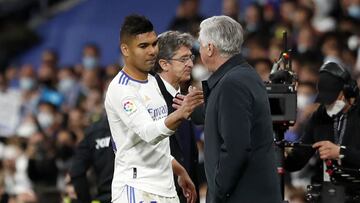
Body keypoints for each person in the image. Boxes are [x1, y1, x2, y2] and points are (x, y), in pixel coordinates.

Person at [104, 14, 203, 203]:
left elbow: (155, 146)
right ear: (125, 49)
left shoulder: (152, 82)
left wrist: (179, 170)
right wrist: (181, 113)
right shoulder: (122, 89)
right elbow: (149, 133)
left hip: (166, 188)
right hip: (137, 189)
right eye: (143, 46)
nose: (152, 51)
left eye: (154, 44)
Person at [198, 15, 282, 203]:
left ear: (210, 48)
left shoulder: (231, 83)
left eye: (201, 45)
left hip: (240, 196)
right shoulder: (244, 75)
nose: (200, 51)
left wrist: (219, 189)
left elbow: (236, 146)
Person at [284, 62, 360, 198]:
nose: (327, 104)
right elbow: (298, 160)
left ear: (346, 92)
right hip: (328, 193)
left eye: (331, 99)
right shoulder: (319, 116)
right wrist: (283, 155)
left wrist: (341, 152)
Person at [153, 30, 199, 203]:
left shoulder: (186, 96)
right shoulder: (148, 96)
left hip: (187, 193)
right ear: (164, 64)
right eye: (183, 59)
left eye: (191, 58)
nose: (190, 64)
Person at [70, 115, 114, 203]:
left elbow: (77, 172)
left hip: (106, 196)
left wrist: (85, 200)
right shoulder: (134, 126)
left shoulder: (93, 131)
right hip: (134, 193)